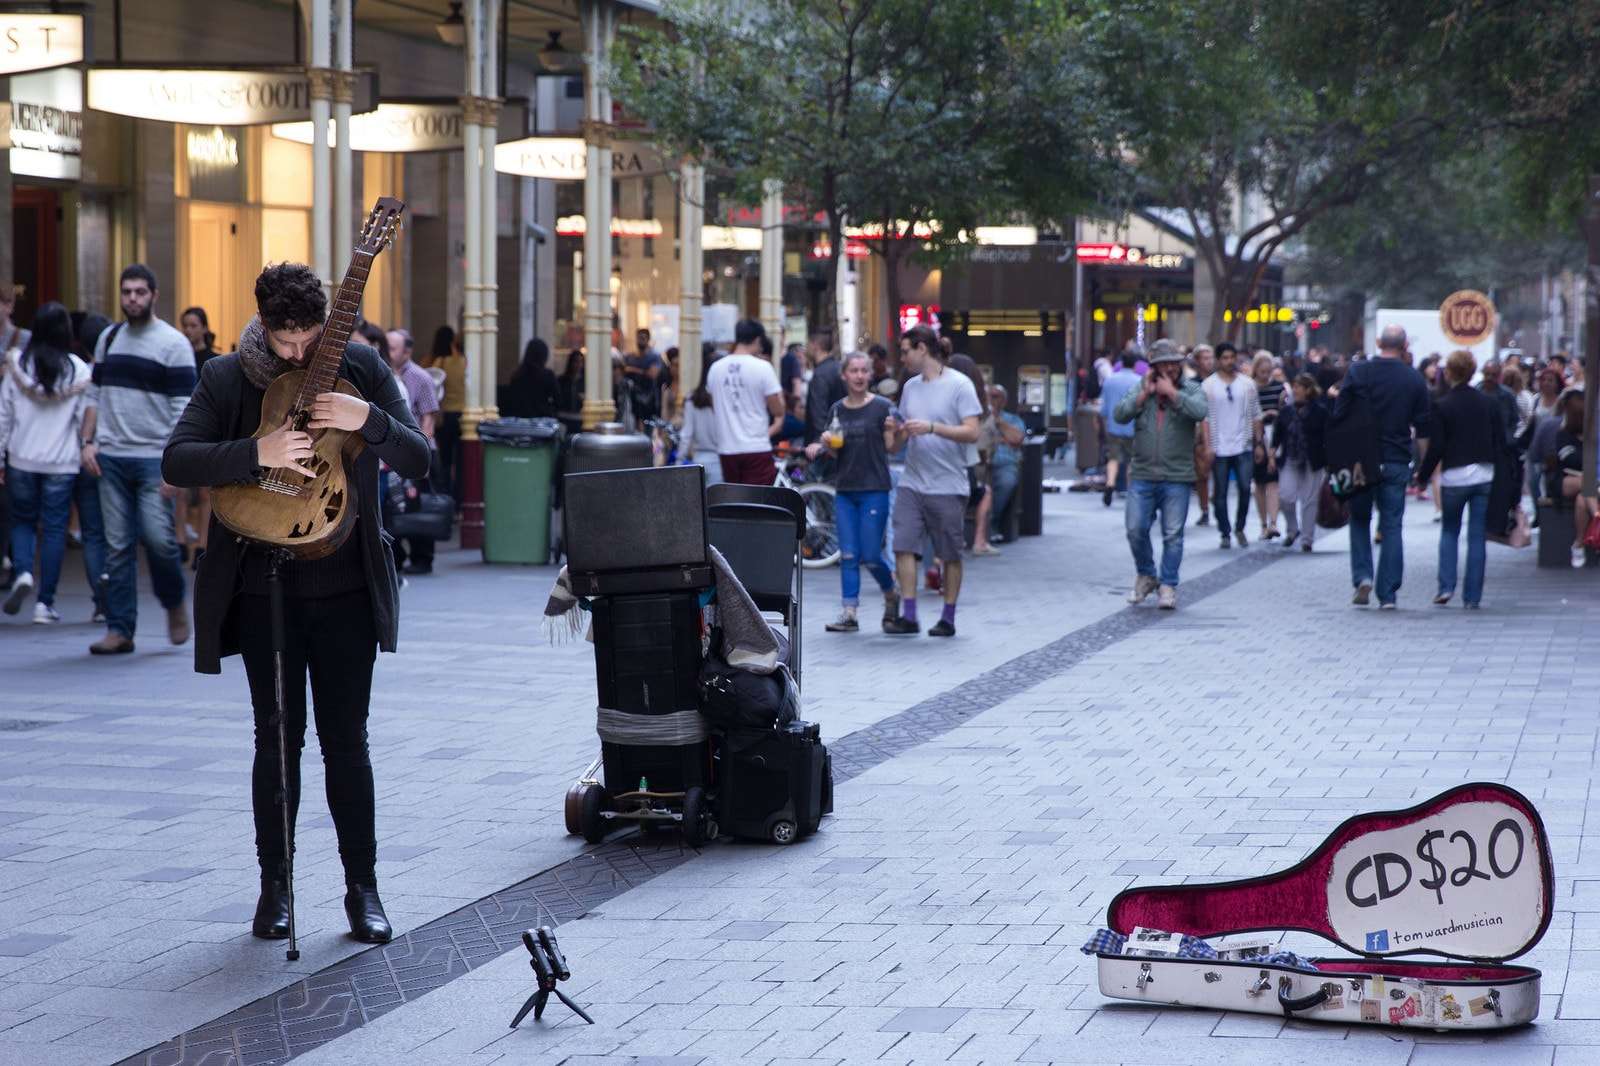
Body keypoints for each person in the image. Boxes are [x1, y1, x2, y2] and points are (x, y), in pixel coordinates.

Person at [163, 261, 429, 946]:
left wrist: (366, 418)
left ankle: (362, 890)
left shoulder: (363, 367)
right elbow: (178, 459)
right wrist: (257, 450)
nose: (299, 352)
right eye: (286, 342)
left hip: (344, 589)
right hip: (265, 589)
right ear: (263, 326)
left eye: (309, 337)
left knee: (348, 743)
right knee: (276, 742)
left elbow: (420, 459)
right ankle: (275, 889)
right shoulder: (229, 376)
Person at [83, 264, 195, 655]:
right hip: (111, 456)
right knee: (117, 547)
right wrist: (87, 442)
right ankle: (120, 629)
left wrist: (175, 464)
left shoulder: (173, 344)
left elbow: (184, 411)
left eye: (139, 292)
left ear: (154, 295)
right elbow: (94, 395)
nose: (132, 298)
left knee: (159, 541)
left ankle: (173, 601)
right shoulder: (109, 338)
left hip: (153, 459)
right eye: (126, 292)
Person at [883, 324, 981, 637]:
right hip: (913, 481)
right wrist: (895, 432)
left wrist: (932, 427)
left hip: (948, 483)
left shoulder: (960, 385)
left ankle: (948, 617)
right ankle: (909, 615)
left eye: (905, 350)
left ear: (922, 349)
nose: (902, 358)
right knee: (903, 546)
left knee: (949, 553)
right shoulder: (910, 387)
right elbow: (896, 444)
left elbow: (972, 431)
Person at [0, 302, 91, 623]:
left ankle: (23, 571)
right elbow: (83, 419)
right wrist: (86, 447)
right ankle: (45, 604)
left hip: (21, 458)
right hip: (61, 462)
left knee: (22, 521)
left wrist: (0, 457)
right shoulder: (79, 370)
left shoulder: (17, 366)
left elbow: (4, 415)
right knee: (53, 529)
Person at [1336, 324, 1431, 608]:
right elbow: (1424, 429)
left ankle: (1363, 576)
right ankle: (1387, 592)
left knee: (1360, 520)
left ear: (1379, 342)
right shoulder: (1413, 379)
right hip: (1396, 458)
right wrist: (1422, 470)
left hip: (1361, 459)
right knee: (1391, 525)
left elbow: (1339, 414)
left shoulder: (1358, 372)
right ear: (1404, 345)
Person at [806, 351, 899, 632]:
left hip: (875, 488)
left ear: (870, 375)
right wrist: (826, 445)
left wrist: (894, 431)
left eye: (863, 371)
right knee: (847, 554)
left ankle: (890, 591)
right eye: (854, 371)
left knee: (870, 554)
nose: (859, 376)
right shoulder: (837, 409)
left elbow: (892, 448)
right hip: (845, 490)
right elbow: (836, 452)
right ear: (844, 375)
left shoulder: (883, 407)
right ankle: (849, 612)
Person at [1114, 339, 1209, 610]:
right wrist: (1143, 395)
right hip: (1143, 473)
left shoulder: (1191, 389)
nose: (1169, 368)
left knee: (1173, 534)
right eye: (1162, 364)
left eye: (1173, 363)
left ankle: (1168, 584)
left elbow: (1200, 411)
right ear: (1153, 367)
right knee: (1135, 528)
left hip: (1176, 475)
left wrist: (1174, 395)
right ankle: (1146, 574)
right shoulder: (1141, 388)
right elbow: (1119, 415)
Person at [1417, 349, 1504, 608]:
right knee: (1477, 536)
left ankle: (1446, 587)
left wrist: (1422, 476)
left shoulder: (1443, 405)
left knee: (1450, 531)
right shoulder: (1489, 403)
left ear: (1450, 373)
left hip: (1454, 475)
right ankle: (1473, 596)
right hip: (1484, 473)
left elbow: (1437, 446)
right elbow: (1500, 441)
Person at [384, 328, 439, 576]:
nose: (388, 352)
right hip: (393, 451)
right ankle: (398, 555)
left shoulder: (421, 377)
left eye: (393, 348)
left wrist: (421, 454)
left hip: (416, 451)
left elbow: (428, 419)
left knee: (418, 504)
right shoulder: (384, 373)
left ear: (407, 351)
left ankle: (423, 557)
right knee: (395, 506)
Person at [706, 319, 784, 485]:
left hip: (727, 448)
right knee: (758, 503)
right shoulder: (763, 367)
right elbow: (777, 410)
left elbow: (714, 407)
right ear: (757, 340)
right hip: (756, 447)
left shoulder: (715, 368)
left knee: (735, 502)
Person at [1201, 342, 1263, 547]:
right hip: (1219, 446)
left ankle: (1240, 527)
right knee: (1220, 492)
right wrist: (1208, 445)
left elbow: (1256, 414)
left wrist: (1259, 442)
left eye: (1232, 357)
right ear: (1219, 360)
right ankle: (1225, 531)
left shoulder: (1247, 384)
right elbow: (1205, 418)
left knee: (1245, 488)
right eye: (1225, 358)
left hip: (1243, 444)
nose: (1229, 362)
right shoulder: (1209, 385)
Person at [72, 313, 112, 621]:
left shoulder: (82, 372)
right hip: (113, 455)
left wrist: (85, 442)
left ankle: (101, 599)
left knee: (94, 533)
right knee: (118, 533)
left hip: (83, 458)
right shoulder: (108, 373)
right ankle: (112, 588)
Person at [178, 307, 219, 566]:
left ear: (204, 328)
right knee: (180, 487)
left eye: (194, 325)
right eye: (186, 325)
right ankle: (181, 539)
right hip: (182, 423)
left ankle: (203, 543)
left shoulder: (214, 361)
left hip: (208, 426)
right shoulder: (177, 355)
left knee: (206, 491)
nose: (189, 330)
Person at [1275, 373, 1328, 553]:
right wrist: (1270, 452)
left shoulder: (1320, 411)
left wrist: (1330, 460)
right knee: (1285, 496)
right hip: (1290, 458)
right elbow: (1277, 434)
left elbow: (1327, 436)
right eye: (1294, 386)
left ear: (1308, 390)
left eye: (1298, 387)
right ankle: (1292, 528)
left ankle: (1307, 539)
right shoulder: (1286, 411)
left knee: (1309, 500)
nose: (1295, 390)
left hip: (1313, 460)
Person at [1550, 388, 1594, 568]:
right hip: (1566, 481)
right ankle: (1597, 517)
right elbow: (1571, 459)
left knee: (1583, 498)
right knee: (1587, 483)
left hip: (1589, 487)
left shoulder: (1594, 436)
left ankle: (1578, 543)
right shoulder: (1563, 435)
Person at [422, 326, 466, 501]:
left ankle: (445, 497)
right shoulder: (463, 361)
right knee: (460, 462)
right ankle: (458, 501)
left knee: (445, 461)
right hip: (462, 416)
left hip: (444, 417)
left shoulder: (437, 363)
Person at [1099, 347, 1142, 507]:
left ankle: (1110, 484)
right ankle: (1131, 490)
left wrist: (1103, 422)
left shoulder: (1110, 380)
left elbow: (1103, 407)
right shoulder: (1139, 381)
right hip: (1133, 426)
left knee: (1113, 458)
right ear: (1135, 364)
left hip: (1114, 425)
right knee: (1132, 459)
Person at [982, 385, 1026, 542]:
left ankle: (991, 523)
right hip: (979, 464)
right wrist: (1001, 439)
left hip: (1004, 464)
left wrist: (997, 421)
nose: (991, 400)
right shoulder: (976, 417)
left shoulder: (1013, 419)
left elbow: (1016, 439)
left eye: (996, 396)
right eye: (989, 396)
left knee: (1007, 482)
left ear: (1004, 401)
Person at [1251, 351, 1283, 539]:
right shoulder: (1250, 388)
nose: (1265, 375)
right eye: (1262, 371)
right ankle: (1264, 524)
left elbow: (1285, 412)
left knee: (1273, 482)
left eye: (1268, 371)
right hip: (1257, 438)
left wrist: (1276, 412)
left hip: (1275, 436)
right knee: (1259, 483)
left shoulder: (1279, 388)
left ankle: (1273, 523)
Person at [681, 346, 722, 486]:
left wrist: (679, 461)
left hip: (698, 462)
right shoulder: (723, 399)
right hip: (721, 463)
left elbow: (686, 434)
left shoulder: (692, 399)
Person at [803, 328, 844, 447]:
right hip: (839, 437)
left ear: (815, 345)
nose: (807, 348)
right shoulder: (839, 368)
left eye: (808, 344)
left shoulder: (819, 375)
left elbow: (818, 413)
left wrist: (819, 442)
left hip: (823, 444)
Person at [502, 338, 560, 419]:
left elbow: (513, 400)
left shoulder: (517, 375)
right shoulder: (547, 375)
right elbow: (558, 400)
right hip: (542, 420)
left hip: (521, 420)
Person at [621, 327, 663, 424]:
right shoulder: (630, 357)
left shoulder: (654, 356)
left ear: (648, 339)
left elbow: (653, 374)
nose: (640, 341)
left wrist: (633, 370)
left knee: (648, 426)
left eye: (643, 338)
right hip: (633, 398)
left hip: (649, 397)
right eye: (639, 338)